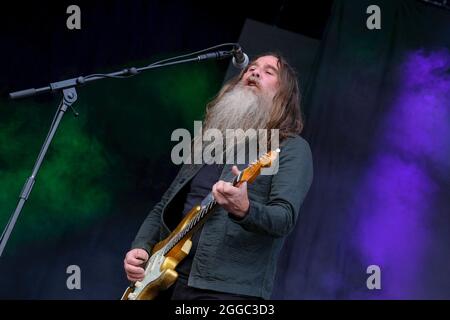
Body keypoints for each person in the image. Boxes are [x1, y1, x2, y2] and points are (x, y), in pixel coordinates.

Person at [123, 52, 313, 300]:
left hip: (225, 291)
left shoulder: (290, 147)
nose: (254, 72)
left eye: (269, 72)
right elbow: (164, 205)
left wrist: (245, 209)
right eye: (251, 68)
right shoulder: (210, 141)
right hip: (163, 280)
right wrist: (140, 247)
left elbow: (284, 218)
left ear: (284, 96)